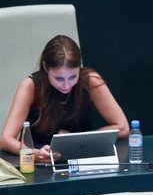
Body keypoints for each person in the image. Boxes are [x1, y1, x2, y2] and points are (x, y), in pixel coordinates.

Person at [0, 35, 129, 163]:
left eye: (73, 77)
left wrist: (78, 139)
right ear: (46, 67)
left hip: (83, 158)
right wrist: (34, 154)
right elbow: (6, 140)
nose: (67, 85)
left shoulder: (90, 81)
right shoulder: (31, 86)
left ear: (79, 67)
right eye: (59, 79)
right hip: (42, 161)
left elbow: (123, 127)